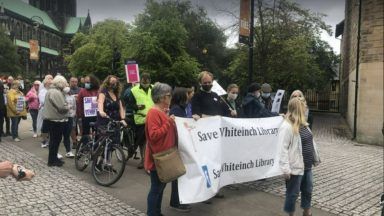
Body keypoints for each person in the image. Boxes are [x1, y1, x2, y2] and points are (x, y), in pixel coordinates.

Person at [278, 97, 321, 216]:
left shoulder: (304, 124)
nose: (306, 110)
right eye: (304, 108)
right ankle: (290, 214)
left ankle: (307, 213)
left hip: (307, 166)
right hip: (295, 168)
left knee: (307, 191)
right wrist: (286, 169)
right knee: (293, 193)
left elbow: (310, 142)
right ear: (298, 110)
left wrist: (315, 157)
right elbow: (282, 149)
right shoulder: (286, 127)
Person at [191, 71, 224, 200]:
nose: (207, 84)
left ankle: (215, 189)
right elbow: (197, 114)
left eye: (209, 82)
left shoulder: (216, 95)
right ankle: (205, 192)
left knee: (216, 163)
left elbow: (222, 112)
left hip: (216, 136)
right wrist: (209, 118)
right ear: (200, 83)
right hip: (204, 137)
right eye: (205, 82)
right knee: (205, 165)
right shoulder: (197, 97)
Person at [145, 82, 175, 216]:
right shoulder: (153, 112)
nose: (170, 98)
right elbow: (154, 135)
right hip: (158, 158)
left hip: (163, 157)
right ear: (162, 97)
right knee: (156, 189)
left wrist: (166, 117)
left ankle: (157, 212)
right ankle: (152, 213)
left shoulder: (159, 112)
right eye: (169, 95)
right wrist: (169, 122)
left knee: (160, 188)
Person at [168, 87, 192, 212]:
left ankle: (179, 200)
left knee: (181, 174)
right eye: (187, 94)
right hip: (178, 145)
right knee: (179, 175)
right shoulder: (177, 109)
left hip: (180, 144)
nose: (189, 96)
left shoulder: (180, 108)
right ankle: (176, 202)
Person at [127, 73, 154, 169]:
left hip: (153, 119)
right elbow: (129, 104)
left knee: (153, 140)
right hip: (140, 119)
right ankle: (143, 160)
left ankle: (152, 159)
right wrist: (136, 107)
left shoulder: (154, 89)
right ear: (141, 81)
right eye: (144, 82)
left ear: (150, 81)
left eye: (147, 81)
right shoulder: (133, 90)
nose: (145, 83)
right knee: (142, 141)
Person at [43, 75, 69, 167]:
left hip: (52, 119)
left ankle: (53, 158)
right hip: (56, 120)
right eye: (65, 83)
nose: (66, 85)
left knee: (54, 140)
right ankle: (52, 160)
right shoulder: (55, 92)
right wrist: (68, 106)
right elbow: (62, 107)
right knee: (55, 140)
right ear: (60, 83)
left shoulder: (51, 91)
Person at [76, 74, 100, 144]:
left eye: (88, 82)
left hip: (97, 115)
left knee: (97, 132)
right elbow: (79, 103)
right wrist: (80, 115)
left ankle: (96, 146)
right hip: (85, 116)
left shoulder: (98, 91)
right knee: (85, 133)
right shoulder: (82, 91)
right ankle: (85, 147)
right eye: (85, 82)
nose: (86, 84)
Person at [37, 75, 53, 148]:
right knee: (44, 127)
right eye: (49, 79)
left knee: (52, 127)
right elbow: (43, 101)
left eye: (52, 79)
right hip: (45, 111)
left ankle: (50, 140)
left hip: (53, 111)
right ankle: (44, 140)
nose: (51, 81)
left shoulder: (53, 90)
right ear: (46, 82)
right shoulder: (42, 91)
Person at [62, 84, 76, 158]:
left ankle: (68, 151)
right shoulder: (60, 96)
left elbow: (74, 107)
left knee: (67, 135)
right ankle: (55, 152)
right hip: (60, 118)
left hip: (69, 117)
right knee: (57, 136)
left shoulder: (72, 97)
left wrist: (72, 114)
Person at [69, 77, 81, 149]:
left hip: (79, 111)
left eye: (75, 82)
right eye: (72, 81)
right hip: (71, 111)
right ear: (69, 82)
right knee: (72, 127)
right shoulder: (67, 90)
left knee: (81, 125)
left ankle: (80, 139)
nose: (74, 83)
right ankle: (74, 141)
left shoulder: (81, 90)